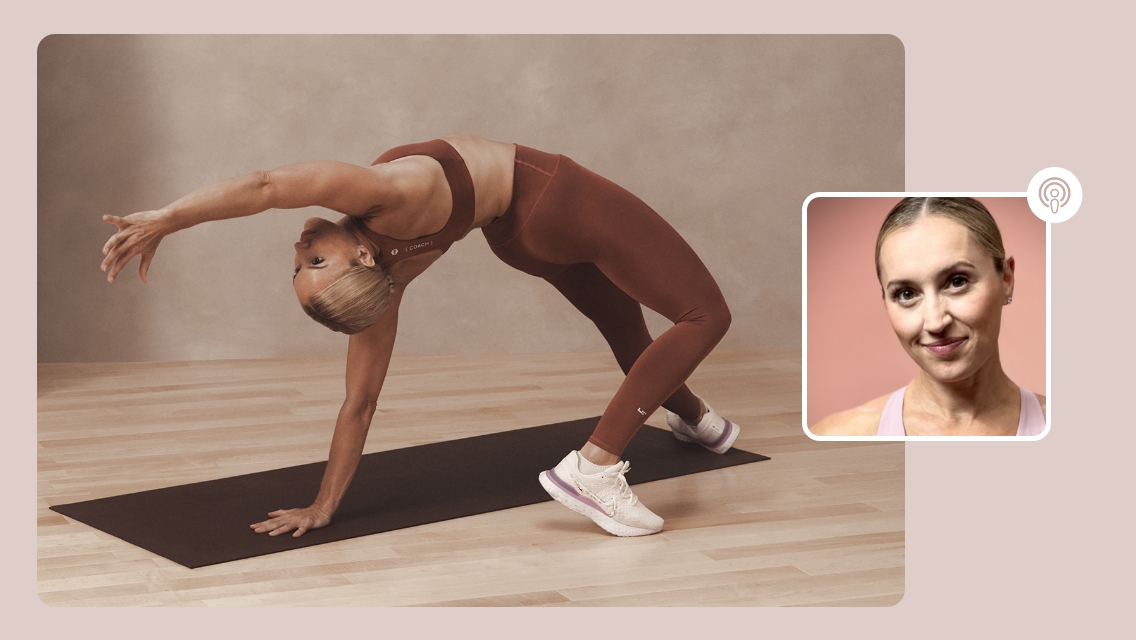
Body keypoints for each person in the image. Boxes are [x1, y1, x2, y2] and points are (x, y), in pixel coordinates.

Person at [100, 135, 741, 538]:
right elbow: (269, 185)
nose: (301, 249)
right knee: (705, 316)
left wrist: (324, 507)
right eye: (314, 265)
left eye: (302, 266)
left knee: (624, 324)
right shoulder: (387, 197)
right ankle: (593, 469)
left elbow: (359, 404)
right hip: (551, 201)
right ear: (366, 261)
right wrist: (167, 219)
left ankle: (698, 422)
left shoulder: (387, 286)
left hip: (517, 241)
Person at [810, 197, 1045, 437]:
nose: (935, 322)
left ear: (1006, 279)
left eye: (957, 281)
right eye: (906, 294)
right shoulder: (839, 436)